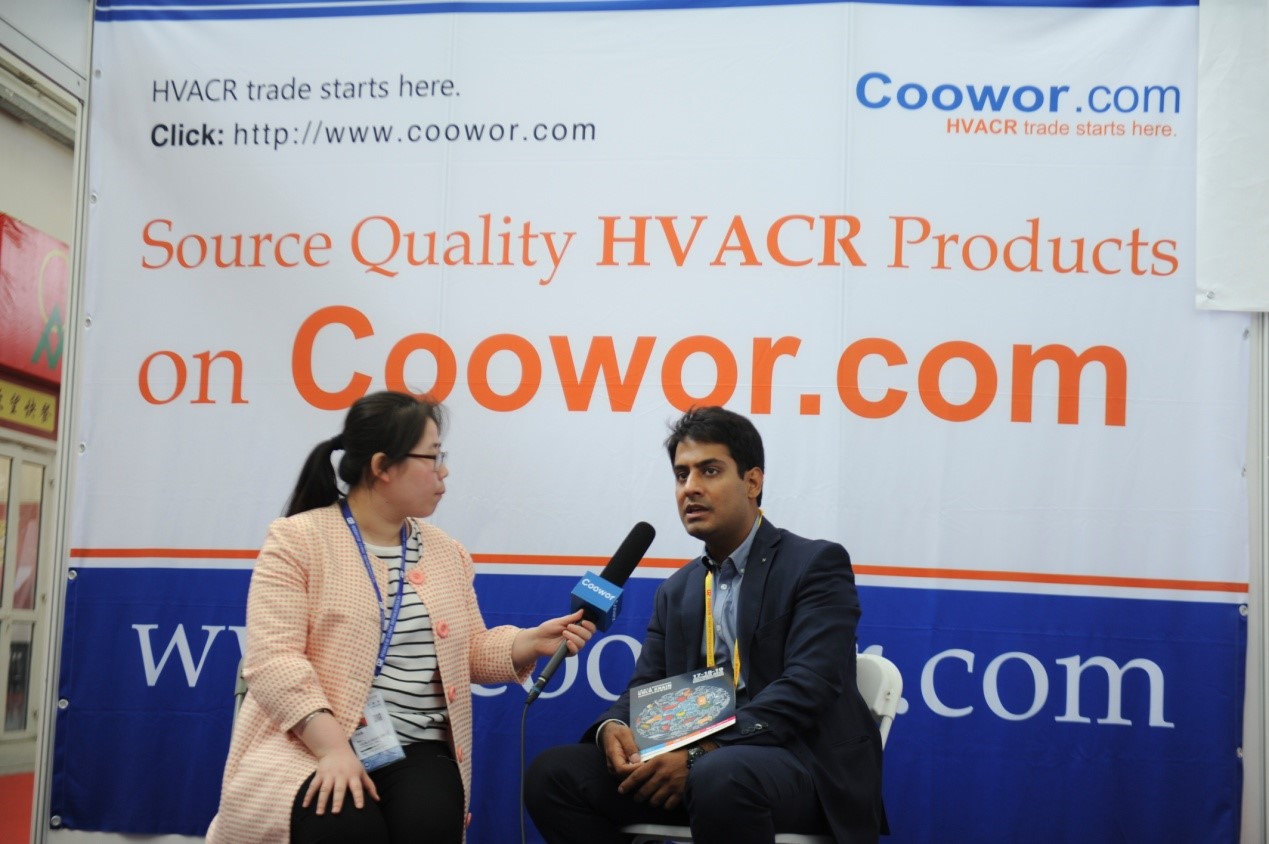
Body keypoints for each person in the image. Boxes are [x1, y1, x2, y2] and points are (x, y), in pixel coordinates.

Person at [206, 391, 593, 844]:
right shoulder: (298, 540)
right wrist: (332, 750)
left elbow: (467, 651)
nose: (444, 471)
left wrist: (528, 642)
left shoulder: (446, 552)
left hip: (412, 747)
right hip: (307, 745)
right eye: (433, 457)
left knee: (428, 824)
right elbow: (273, 660)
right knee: (346, 824)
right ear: (382, 467)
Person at [526, 406, 887, 843]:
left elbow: (809, 686)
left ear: (752, 482)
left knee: (721, 775)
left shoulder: (815, 564)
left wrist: (702, 752)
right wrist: (614, 727)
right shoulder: (677, 590)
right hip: (697, 765)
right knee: (554, 775)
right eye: (682, 475)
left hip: (799, 763)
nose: (691, 488)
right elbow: (646, 690)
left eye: (709, 471)